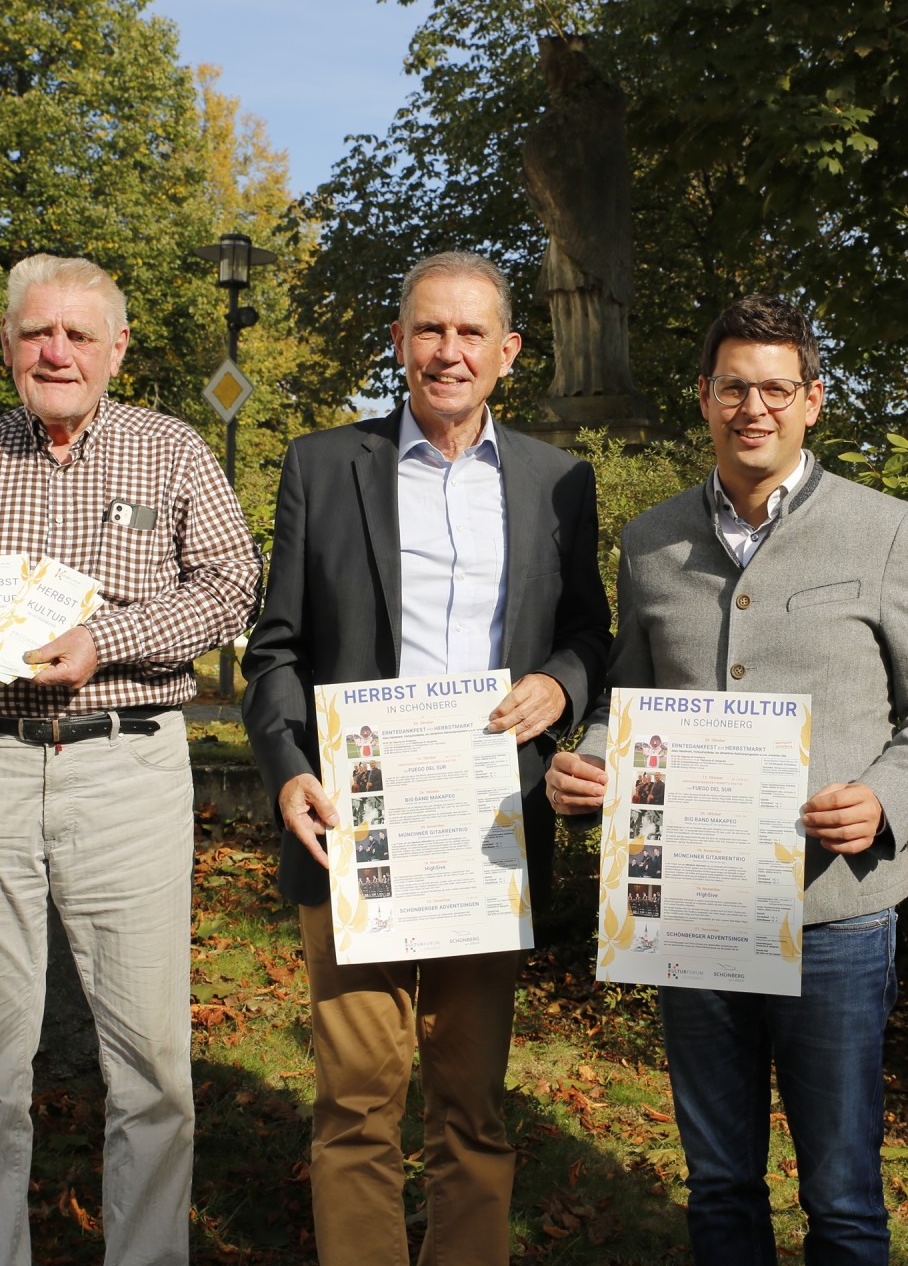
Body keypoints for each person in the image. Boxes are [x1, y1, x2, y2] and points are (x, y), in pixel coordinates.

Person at [548, 293, 908, 1264]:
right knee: (721, 1183)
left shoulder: (886, 529)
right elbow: (629, 698)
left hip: (834, 908)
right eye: (735, 386)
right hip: (691, 905)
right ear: (703, 396)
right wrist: (589, 760)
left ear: (814, 399)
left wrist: (885, 800)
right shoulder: (650, 541)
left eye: (776, 388)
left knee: (843, 1192)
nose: (755, 407)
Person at [0, 253, 260, 1265]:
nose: (57, 351)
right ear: (8, 345)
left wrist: (110, 637)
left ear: (116, 349)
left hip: (126, 770)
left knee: (151, 1065)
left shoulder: (173, 453)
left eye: (80, 335)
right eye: (38, 333)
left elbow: (232, 588)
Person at [241, 251, 612, 1265]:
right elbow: (275, 650)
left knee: (472, 1102)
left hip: (488, 831)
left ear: (508, 351)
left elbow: (590, 632)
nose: (450, 352)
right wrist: (286, 768)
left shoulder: (556, 481)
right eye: (429, 330)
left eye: (471, 333)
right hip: (354, 823)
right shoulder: (323, 465)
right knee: (357, 1100)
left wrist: (562, 686)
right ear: (399, 342)